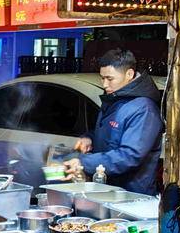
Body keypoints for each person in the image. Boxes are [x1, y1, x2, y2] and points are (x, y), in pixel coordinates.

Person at [63, 49, 163, 196]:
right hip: (108, 188)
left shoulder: (144, 109)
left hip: (131, 194)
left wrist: (84, 162)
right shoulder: (115, 99)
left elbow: (130, 156)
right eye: (102, 78)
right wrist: (89, 138)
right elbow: (109, 134)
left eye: (110, 79)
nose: (104, 84)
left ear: (129, 74)